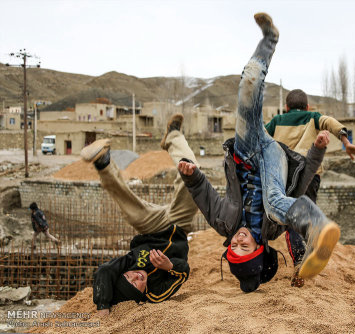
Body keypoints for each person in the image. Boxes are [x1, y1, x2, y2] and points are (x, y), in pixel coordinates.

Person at [178, 13, 340, 293]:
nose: (239, 240)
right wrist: (317, 151)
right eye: (245, 247)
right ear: (259, 249)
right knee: (276, 203)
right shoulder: (272, 229)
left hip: (245, 151)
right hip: (271, 158)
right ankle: (316, 225)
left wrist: (192, 177)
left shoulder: (222, 223)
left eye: (235, 246)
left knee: (248, 85)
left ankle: (269, 39)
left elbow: (203, 195)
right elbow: (299, 185)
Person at [80, 114, 199, 316]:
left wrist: (103, 308)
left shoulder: (129, 264)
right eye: (138, 285)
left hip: (151, 227)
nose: (138, 277)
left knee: (131, 211)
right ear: (141, 297)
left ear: (124, 274)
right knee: (193, 175)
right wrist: (169, 266)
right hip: (180, 226)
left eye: (130, 278)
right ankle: (174, 136)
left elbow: (104, 271)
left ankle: (104, 164)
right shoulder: (155, 294)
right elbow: (183, 273)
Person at [265, 89, 355, 202]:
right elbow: (329, 121)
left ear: (286, 107)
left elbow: (260, 135)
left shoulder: (277, 120)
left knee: (282, 212)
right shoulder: (313, 117)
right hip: (309, 177)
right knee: (307, 214)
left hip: (282, 177)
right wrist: (346, 142)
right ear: (307, 107)